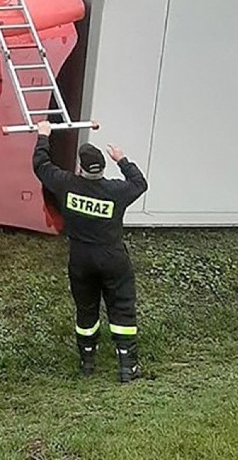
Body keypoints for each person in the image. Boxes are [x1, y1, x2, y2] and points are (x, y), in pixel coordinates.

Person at [32, 121, 148, 382]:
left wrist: (43, 136)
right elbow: (140, 183)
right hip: (112, 257)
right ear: (103, 168)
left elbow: (41, 166)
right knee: (122, 309)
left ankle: (87, 363)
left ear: (80, 168)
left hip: (81, 258)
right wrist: (123, 160)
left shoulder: (67, 184)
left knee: (86, 310)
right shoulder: (117, 191)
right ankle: (127, 367)